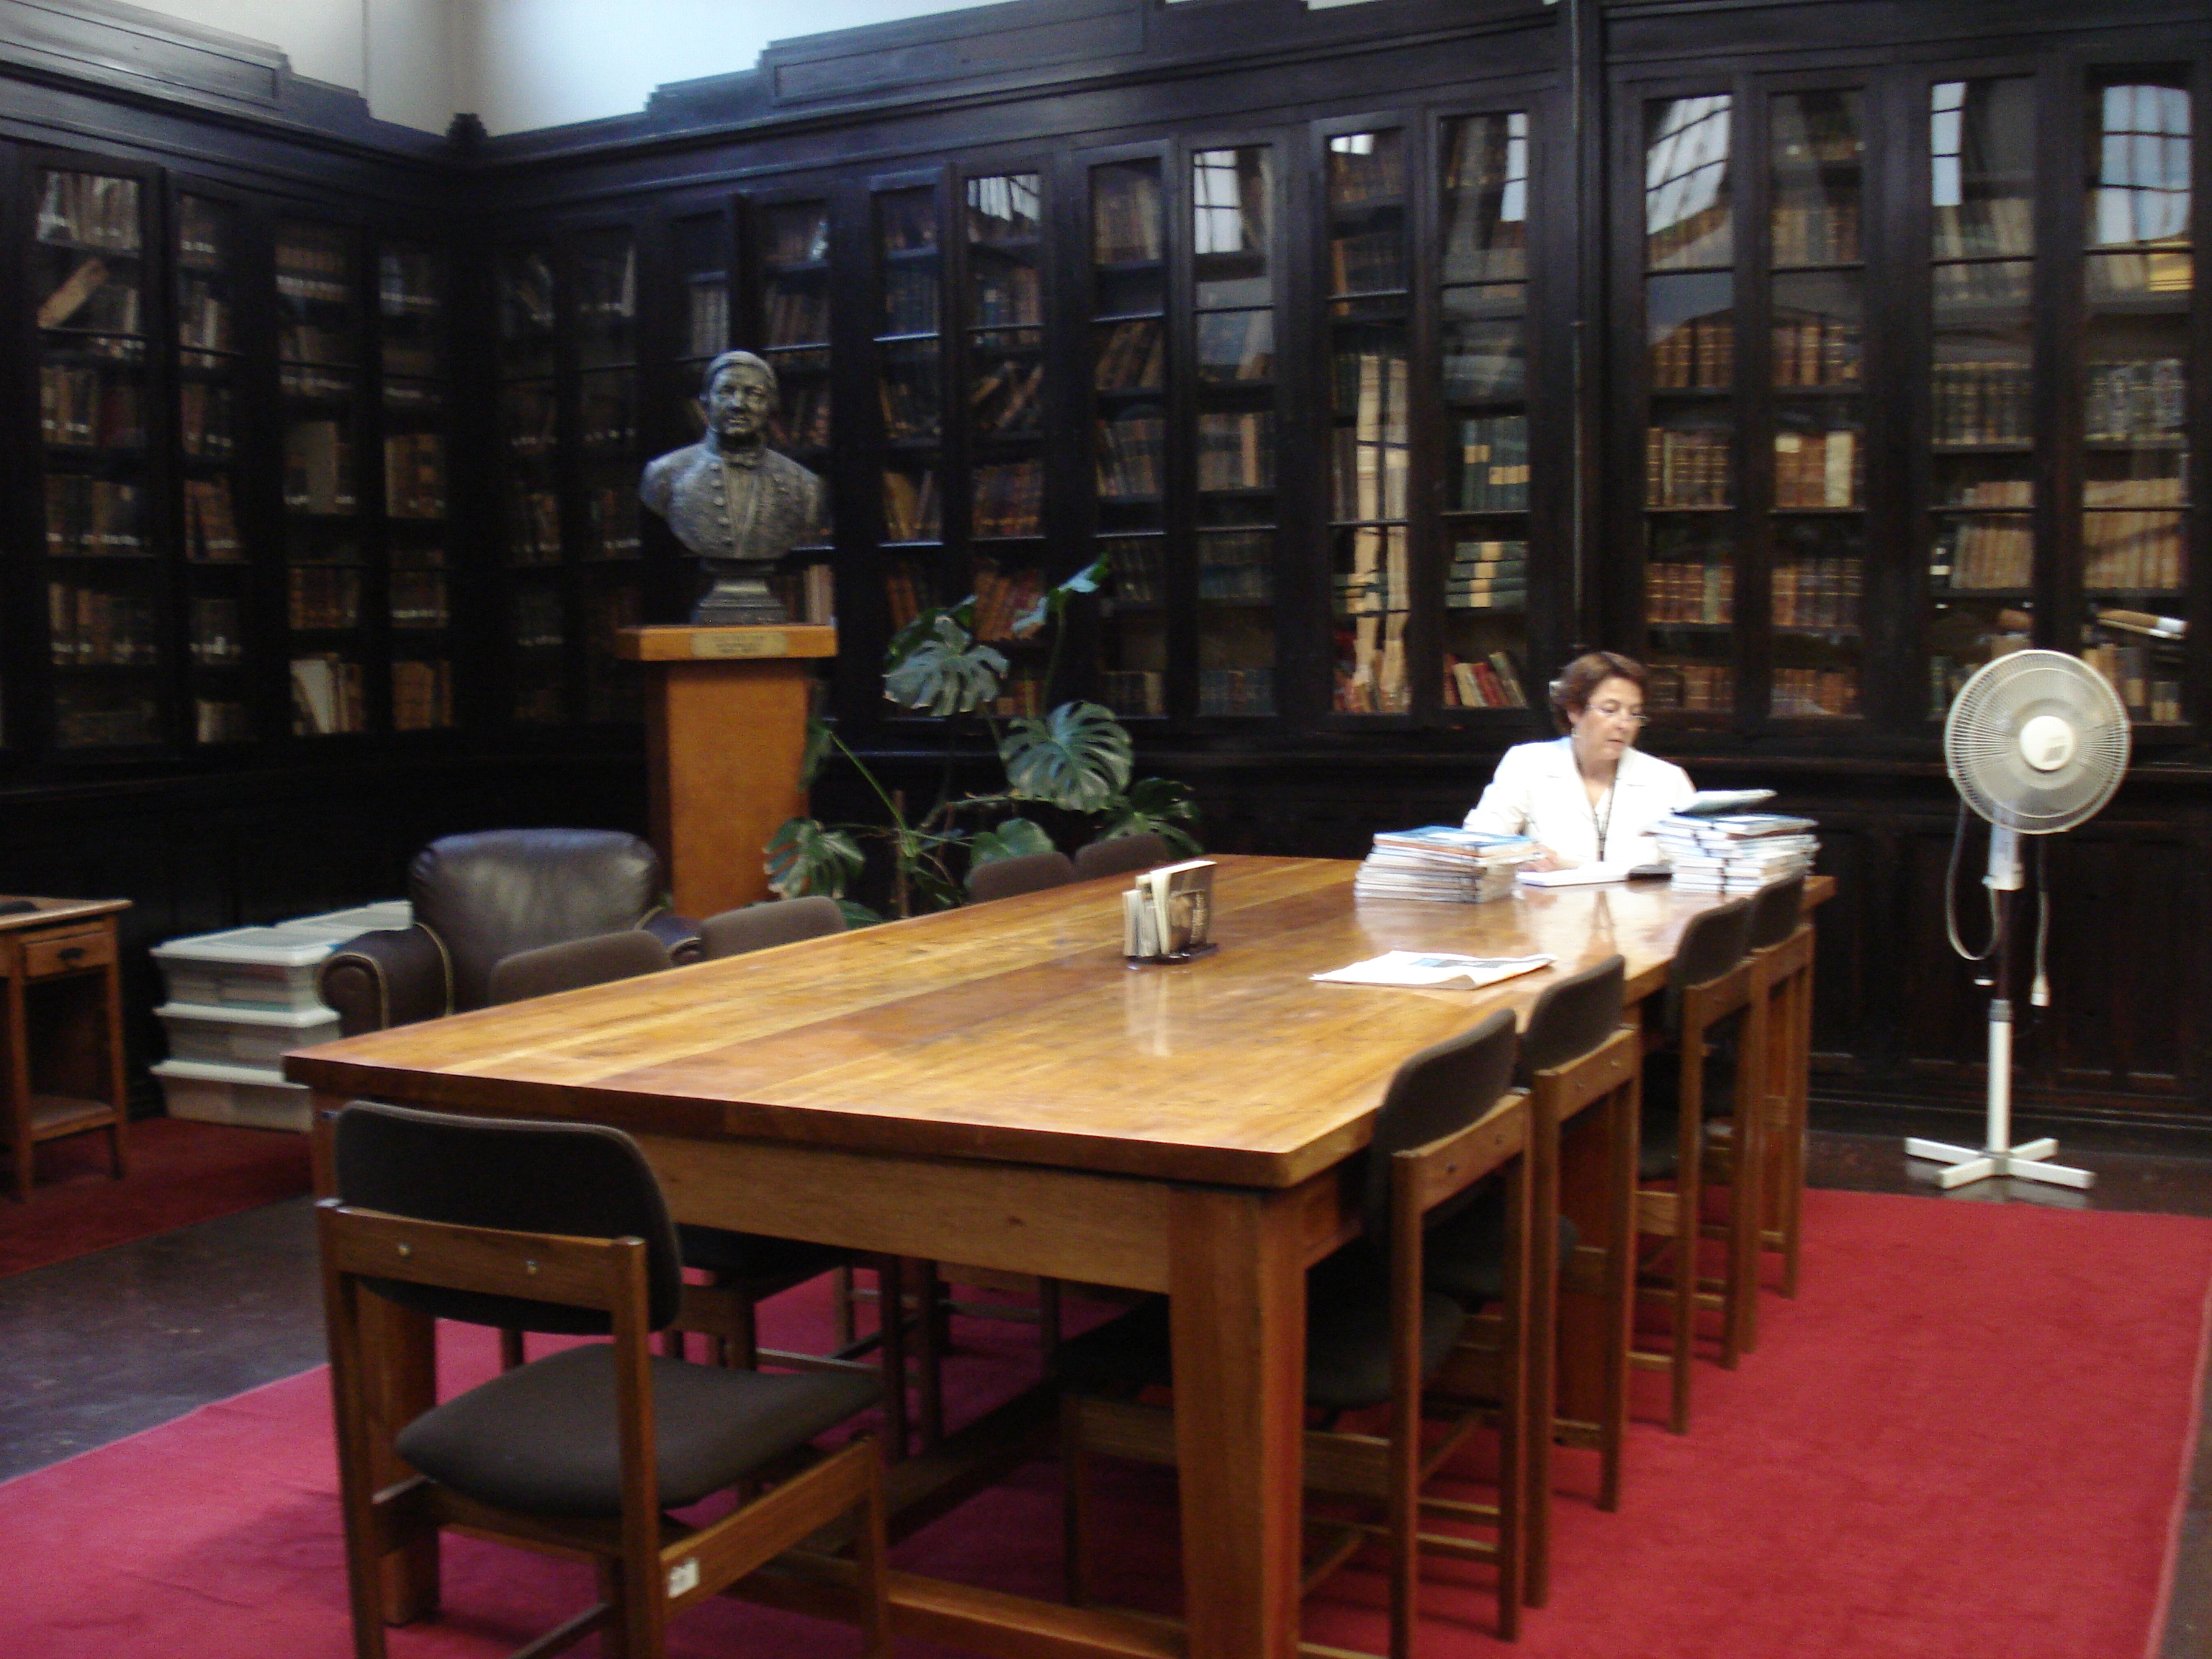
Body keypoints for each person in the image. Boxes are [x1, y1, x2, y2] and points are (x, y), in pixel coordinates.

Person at [1462, 651, 1693, 870]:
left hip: (1639, 899)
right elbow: (1477, 844)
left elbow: (1696, 866)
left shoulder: (1667, 779)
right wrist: (1522, 857)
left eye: (1634, 713)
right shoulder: (1527, 763)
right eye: (1610, 710)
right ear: (1574, 711)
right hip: (1546, 898)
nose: (1624, 725)